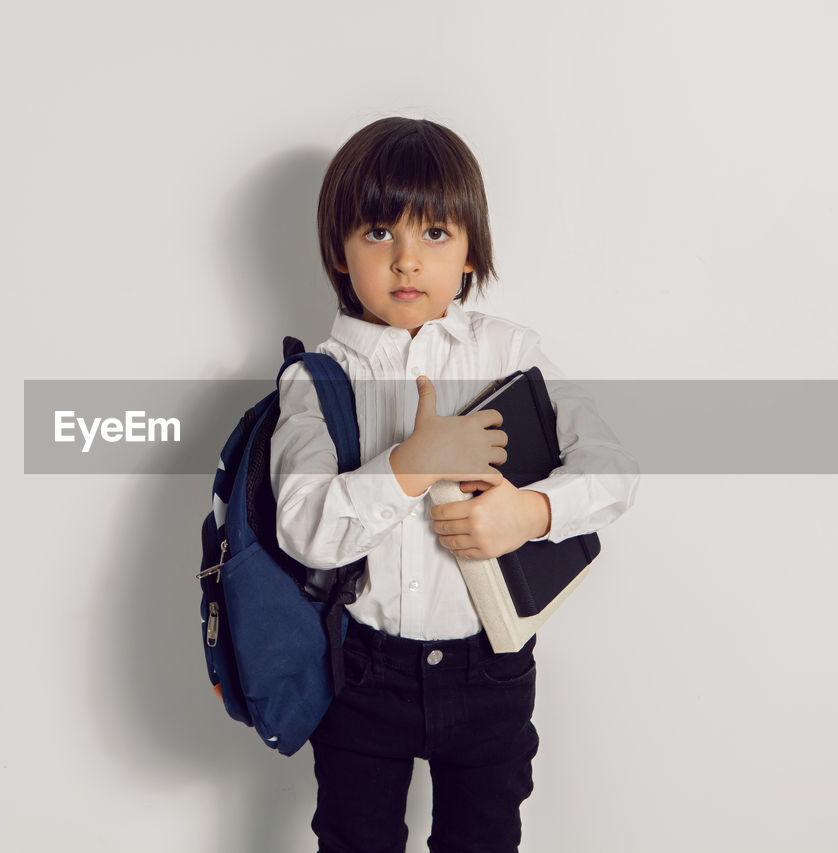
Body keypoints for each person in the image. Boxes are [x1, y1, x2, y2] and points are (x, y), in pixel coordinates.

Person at [270, 117, 639, 853]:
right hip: (360, 672)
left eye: (434, 233)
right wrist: (412, 463)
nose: (407, 260)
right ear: (340, 252)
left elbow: (613, 471)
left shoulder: (508, 351)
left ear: (471, 248)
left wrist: (530, 513)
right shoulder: (318, 378)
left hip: (489, 670)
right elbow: (303, 527)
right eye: (379, 233)